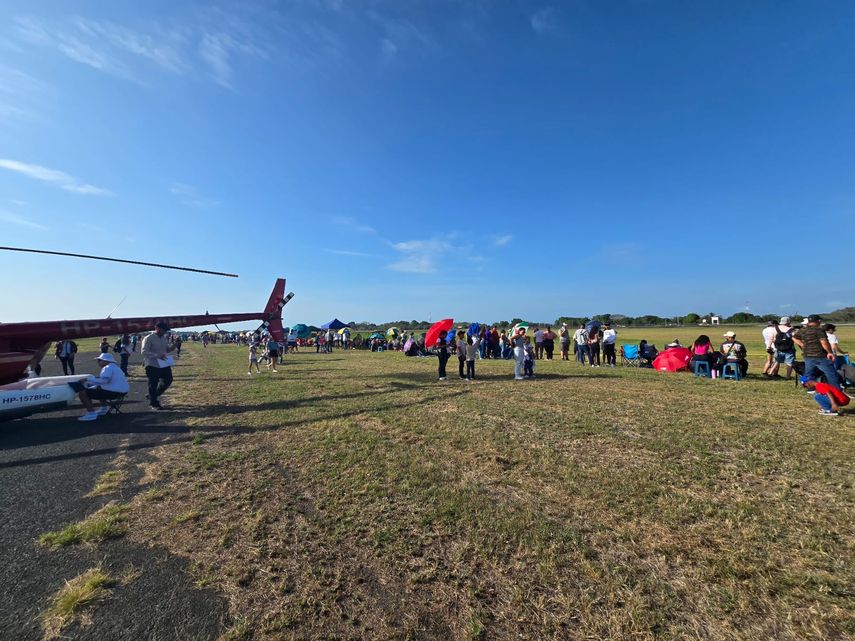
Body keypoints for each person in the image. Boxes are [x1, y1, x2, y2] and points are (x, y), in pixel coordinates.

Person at [72, 353, 130, 422]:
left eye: (99, 360)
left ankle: (91, 414)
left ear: (105, 361)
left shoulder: (107, 368)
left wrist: (87, 380)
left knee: (82, 393)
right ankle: (103, 409)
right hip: (123, 391)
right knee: (98, 388)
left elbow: (103, 381)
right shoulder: (115, 367)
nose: (98, 362)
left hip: (114, 392)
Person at [793, 314, 840, 389]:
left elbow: (794, 338)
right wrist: (830, 352)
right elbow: (824, 342)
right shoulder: (819, 330)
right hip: (820, 356)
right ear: (818, 321)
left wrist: (802, 345)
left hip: (807, 355)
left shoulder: (803, 330)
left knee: (808, 374)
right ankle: (837, 390)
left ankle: (807, 386)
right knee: (831, 374)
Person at [141, 321, 176, 410]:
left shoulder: (163, 338)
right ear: (157, 328)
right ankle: (154, 403)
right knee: (153, 384)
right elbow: (144, 352)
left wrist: (175, 345)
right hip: (152, 364)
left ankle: (153, 395)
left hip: (163, 363)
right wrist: (157, 355)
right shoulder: (149, 338)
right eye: (163, 330)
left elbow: (167, 350)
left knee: (168, 380)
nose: (165, 332)